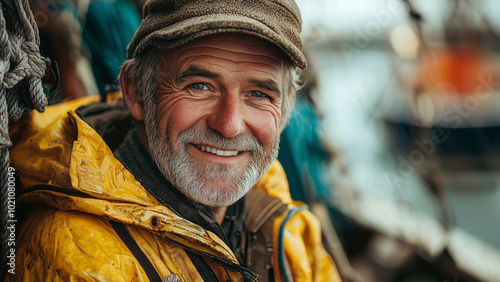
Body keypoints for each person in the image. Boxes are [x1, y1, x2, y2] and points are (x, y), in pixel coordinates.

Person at [7, 0, 341, 281]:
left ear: (285, 111)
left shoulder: (289, 224)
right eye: (199, 86)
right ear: (135, 92)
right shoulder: (74, 255)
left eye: (259, 94)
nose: (229, 125)